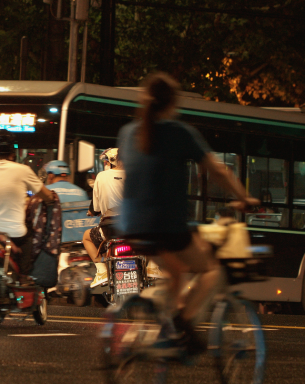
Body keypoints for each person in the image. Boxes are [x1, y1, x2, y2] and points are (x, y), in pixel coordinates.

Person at [116, 72, 259, 352]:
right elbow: (218, 170)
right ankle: (181, 325)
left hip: (131, 225)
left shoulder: (128, 131)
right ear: (173, 103)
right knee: (210, 269)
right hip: (166, 224)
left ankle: (163, 317)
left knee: (176, 270)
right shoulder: (179, 132)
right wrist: (243, 197)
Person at [0, 129, 55, 286]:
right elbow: (47, 196)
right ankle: (23, 275)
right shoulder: (23, 170)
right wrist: (50, 198)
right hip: (14, 235)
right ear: (13, 151)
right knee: (30, 237)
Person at [82, 148, 126, 287]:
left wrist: (94, 212)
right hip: (135, 227)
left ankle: (102, 271)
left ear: (112, 161)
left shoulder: (101, 176)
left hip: (110, 230)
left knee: (86, 236)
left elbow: (95, 208)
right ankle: (153, 267)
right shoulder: (136, 175)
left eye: (106, 161)